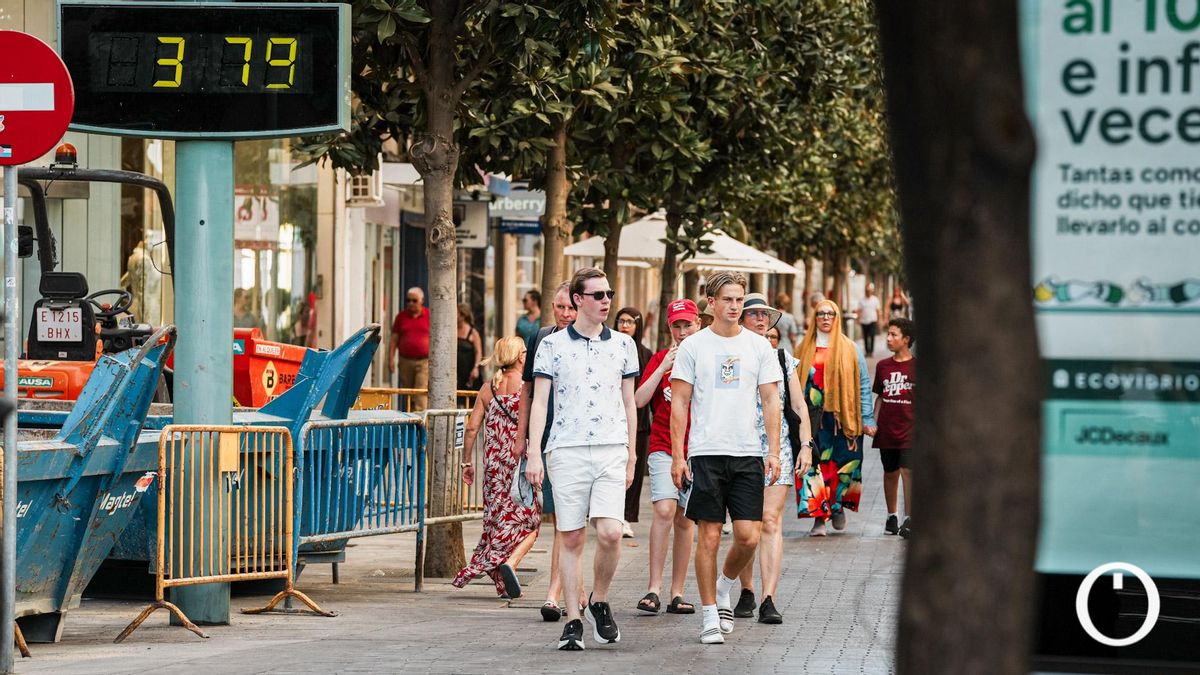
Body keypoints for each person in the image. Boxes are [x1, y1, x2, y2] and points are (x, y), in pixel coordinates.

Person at [526, 267, 639, 651]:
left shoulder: (624, 345)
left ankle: (600, 600)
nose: (606, 300)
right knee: (571, 535)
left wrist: (632, 454)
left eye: (608, 293)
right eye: (597, 295)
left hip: (611, 447)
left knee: (609, 532)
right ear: (578, 300)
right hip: (566, 448)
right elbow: (539, 401)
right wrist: (533, 452)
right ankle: (572, 619)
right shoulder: (552, 345)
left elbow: (629, 402)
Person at [670, 271, 783, 645]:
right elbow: (680, 403)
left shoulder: (758, 347)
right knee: (710, 536)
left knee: (749, 537)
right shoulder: (693, 347)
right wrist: (678, 456)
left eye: (739, 299)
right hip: (706, 452)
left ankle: (724, 587)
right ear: (711, 302)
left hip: (748, 452)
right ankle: (707, 615)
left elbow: (770, 399)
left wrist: (772, 451)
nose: (735, 306)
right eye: (728, 300)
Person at [734, 294, 813, 624]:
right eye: (753, 314)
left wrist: (805, 446)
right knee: (746, 527)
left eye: (765, 314)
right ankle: (746, 589)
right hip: (739, 447)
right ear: (741, 318)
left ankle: (768, 597)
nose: (761, 319)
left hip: (777, 448)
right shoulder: (732, 355)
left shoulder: (783, 359)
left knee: (769, 521)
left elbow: (799, 405)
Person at [514, 282, 582, 623]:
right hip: (546, 438)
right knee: (559, 520)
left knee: (568, 522)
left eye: (571, 308)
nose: (566, 314)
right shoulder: (541, 337)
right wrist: (523, 437)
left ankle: (558, 592)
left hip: (577, 440)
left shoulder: (592, 342)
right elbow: (528, 391)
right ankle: (569, 590)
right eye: (560, 307)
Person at [452, 337, 541, 597]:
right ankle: (508, 563)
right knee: (530, 523)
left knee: (496, 521)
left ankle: (502, 582)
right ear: (520, 357)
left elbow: (471, 428)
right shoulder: (528, 386)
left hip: (494, 469)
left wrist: (467, 462)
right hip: (520, 466)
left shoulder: (488, 388)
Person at [634, 299, 700, 617]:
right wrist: (662, 367)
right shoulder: (661, 358)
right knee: (664, 508)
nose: (683, 331)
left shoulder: (708, 358)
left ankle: (678, 591)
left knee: (685, 519)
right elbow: (638, 399)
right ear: (669, 328)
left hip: (699, 449)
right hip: (663, 445)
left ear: (699, 324)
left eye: (688, 324)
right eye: (677, 325)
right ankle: (653, 588)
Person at [795, 299, 876, 536]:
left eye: (831, 313)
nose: (826, 317)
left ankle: (837, 507)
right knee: (814, 466)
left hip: (843, 419)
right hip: (812, 420)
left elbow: (862, 384)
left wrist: (867, 418)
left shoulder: (850, 348)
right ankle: (819, 518)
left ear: (837, 317)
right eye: (821, 313)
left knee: (843, 463)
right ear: (815, 317)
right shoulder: (802, 348)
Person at [873, 318, 915, 538]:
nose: (888, 339)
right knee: (890, 473)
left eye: (893, 335)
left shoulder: (917, 367)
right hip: (887, 429)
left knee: (908, 471)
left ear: (906, 339)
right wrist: (872, 421)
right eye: (888, 334)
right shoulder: (883, 366)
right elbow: (880, 396)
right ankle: (892, 515)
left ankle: (909, 518)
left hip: (910, 430)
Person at [614, 306, 653, 538]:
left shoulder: (645, 355)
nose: (625, 326)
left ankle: (627, 517)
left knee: (634, 472)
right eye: (621, 321)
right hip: (612, 421)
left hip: (639, 424)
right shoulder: (608, 348)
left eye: (630, 321)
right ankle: (614, 515)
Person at [390, 287, 430, 410]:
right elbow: (394, 340)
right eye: (408, 300)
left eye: (414, 300)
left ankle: (420, 423)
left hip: (424, 361)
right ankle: (409, 420)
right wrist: (390, 359)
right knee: (408, 393)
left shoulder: (429, 315)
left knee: (420, 392)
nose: (410, 303)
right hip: (405, 360)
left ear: (422, 300)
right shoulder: (401, 317)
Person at [456, 303, 483, 390]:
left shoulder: (473, 332)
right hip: (456, 371)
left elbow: (478, 352)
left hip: (468, 371)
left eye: (456, 313)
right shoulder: (452, 330)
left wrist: (476, 368)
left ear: (463, 315)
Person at [856, 283, 883, 355]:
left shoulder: (875, 299)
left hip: (873, 320)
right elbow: (859, 310)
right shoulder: (861, 300)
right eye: (867, 290)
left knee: (872, 335)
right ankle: (867, 351)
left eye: (869, 290)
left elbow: (878, 310)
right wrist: (858, 319)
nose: (868, 292)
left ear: (872, 291)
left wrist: (879, 320)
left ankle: (871, 351)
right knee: (865, 336)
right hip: (864, 321)